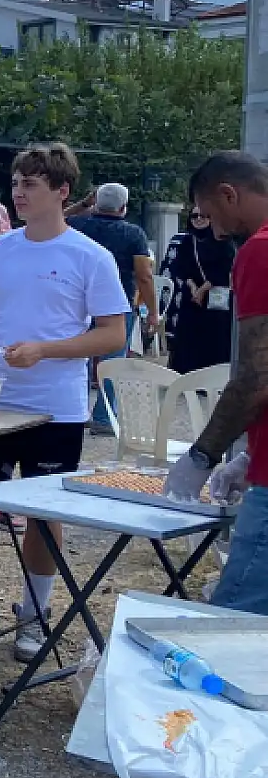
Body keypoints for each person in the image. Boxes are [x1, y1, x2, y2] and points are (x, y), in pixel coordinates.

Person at [0, 143, 127, 662]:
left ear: (61, 192)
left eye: (31, 184)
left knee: (42, 510)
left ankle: (35, 615)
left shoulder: (90, 256)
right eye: (16, 182)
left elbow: (110, 335)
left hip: (55, 405)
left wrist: (46, 350)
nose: (18, 192)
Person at [169, 151, 268, 614]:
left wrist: (203, 454)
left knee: (235, 624)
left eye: (212, 215)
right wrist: (249, 451)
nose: (218, 231)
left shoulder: (260, 250)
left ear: (230, 193)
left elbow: (255, 374)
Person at [69, 183, 156, 431]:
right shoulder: (133, 234)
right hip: (118, 304)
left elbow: (59, 217)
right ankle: (104, 417)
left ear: (95, 202)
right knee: (113, 361)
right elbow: (144, 276)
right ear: (123, 207)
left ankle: (78, 410)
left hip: (79, 302)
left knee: (79, 357)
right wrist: (153, 310)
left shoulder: (77, 226)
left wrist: (83, 204)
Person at [163, 207, 237, 373]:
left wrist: (203, 289)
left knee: (215, 338)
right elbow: (180, 267)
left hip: (216, 296)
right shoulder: (187, 241)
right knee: (189, 336)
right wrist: (193, 287)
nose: (198, 219)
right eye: (194, 216)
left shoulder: (223, 239)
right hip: (192, 296)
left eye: (203, 216)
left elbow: (225, 268)